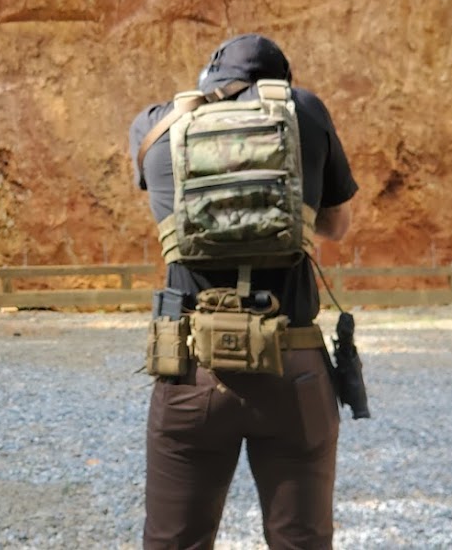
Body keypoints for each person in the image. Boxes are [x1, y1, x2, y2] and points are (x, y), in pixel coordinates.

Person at [127, 34, 360, 549]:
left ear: (209, 82)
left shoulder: (156, 125)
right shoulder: (304, 111)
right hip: (293, 367)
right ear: (279, 81)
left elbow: (161, 201)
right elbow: (338, 225)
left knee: (174, 541)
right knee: (301, 540)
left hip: (189, 368)